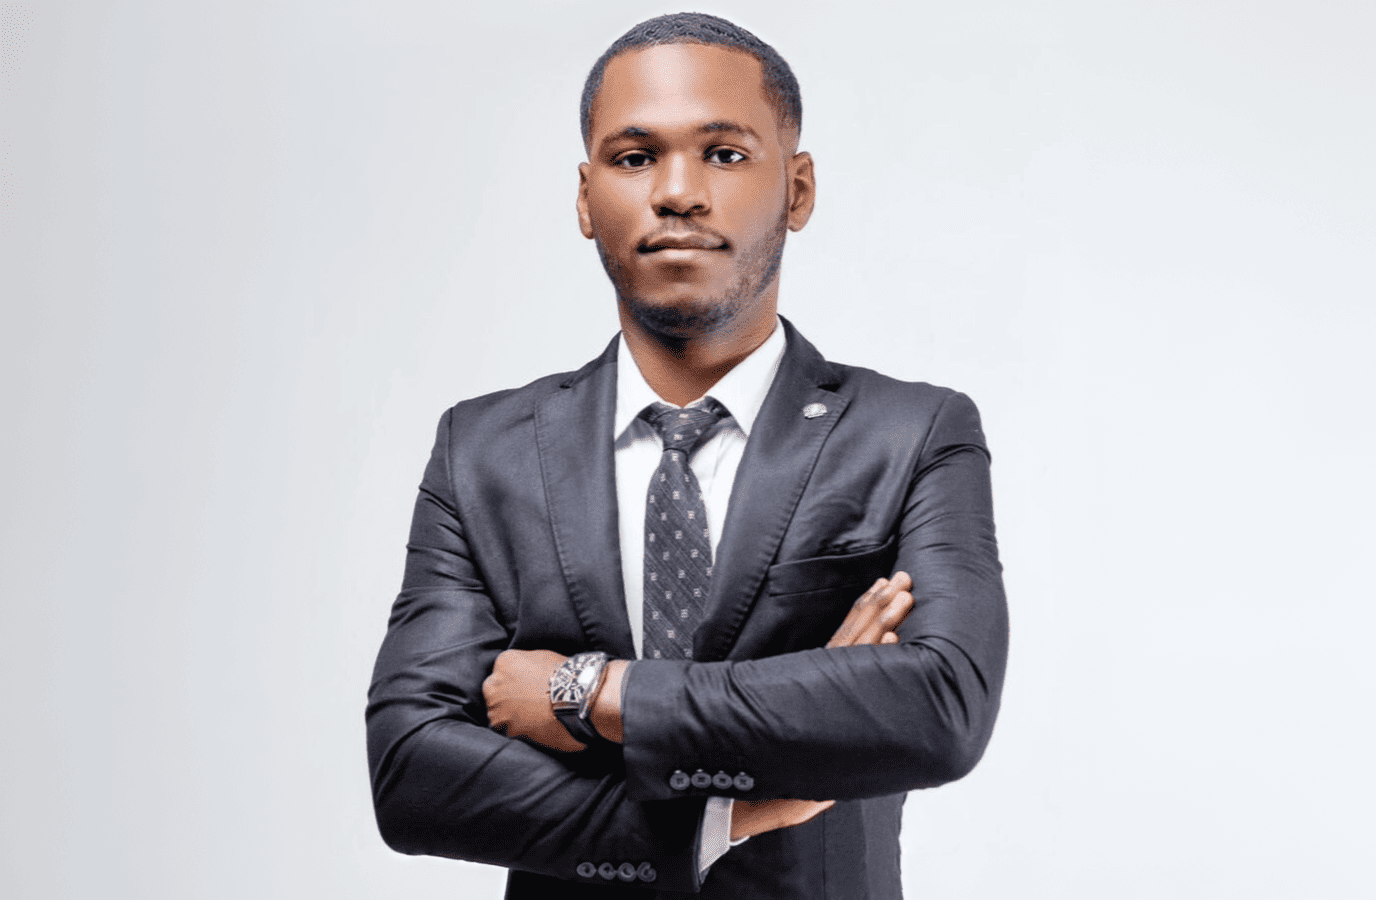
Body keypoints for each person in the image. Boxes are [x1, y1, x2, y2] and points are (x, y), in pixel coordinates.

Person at [366, 12, 1008, 899]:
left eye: (724, 154)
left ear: (797, 190)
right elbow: (411, 773)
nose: (678, 192)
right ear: (586, 198)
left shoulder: (912, 434)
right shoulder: (482, 452)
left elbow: (939, 709)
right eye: (635, 158)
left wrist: (590, 694)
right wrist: (728, 813)